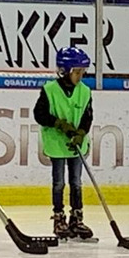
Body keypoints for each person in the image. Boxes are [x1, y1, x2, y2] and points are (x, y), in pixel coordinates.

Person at [33, 47, 95, 241]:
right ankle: (59, 217)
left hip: (76, 145)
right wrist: (59, 124)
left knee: (76, 182)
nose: (80, 76)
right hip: (57, 145)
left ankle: (77, 217)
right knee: (59, 182)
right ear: (65, 70)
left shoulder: (85, 91)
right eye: (77, 72)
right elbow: (40, 115)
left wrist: (81, 132)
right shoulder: (49, 90)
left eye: (83, 72)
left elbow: (87, 115)